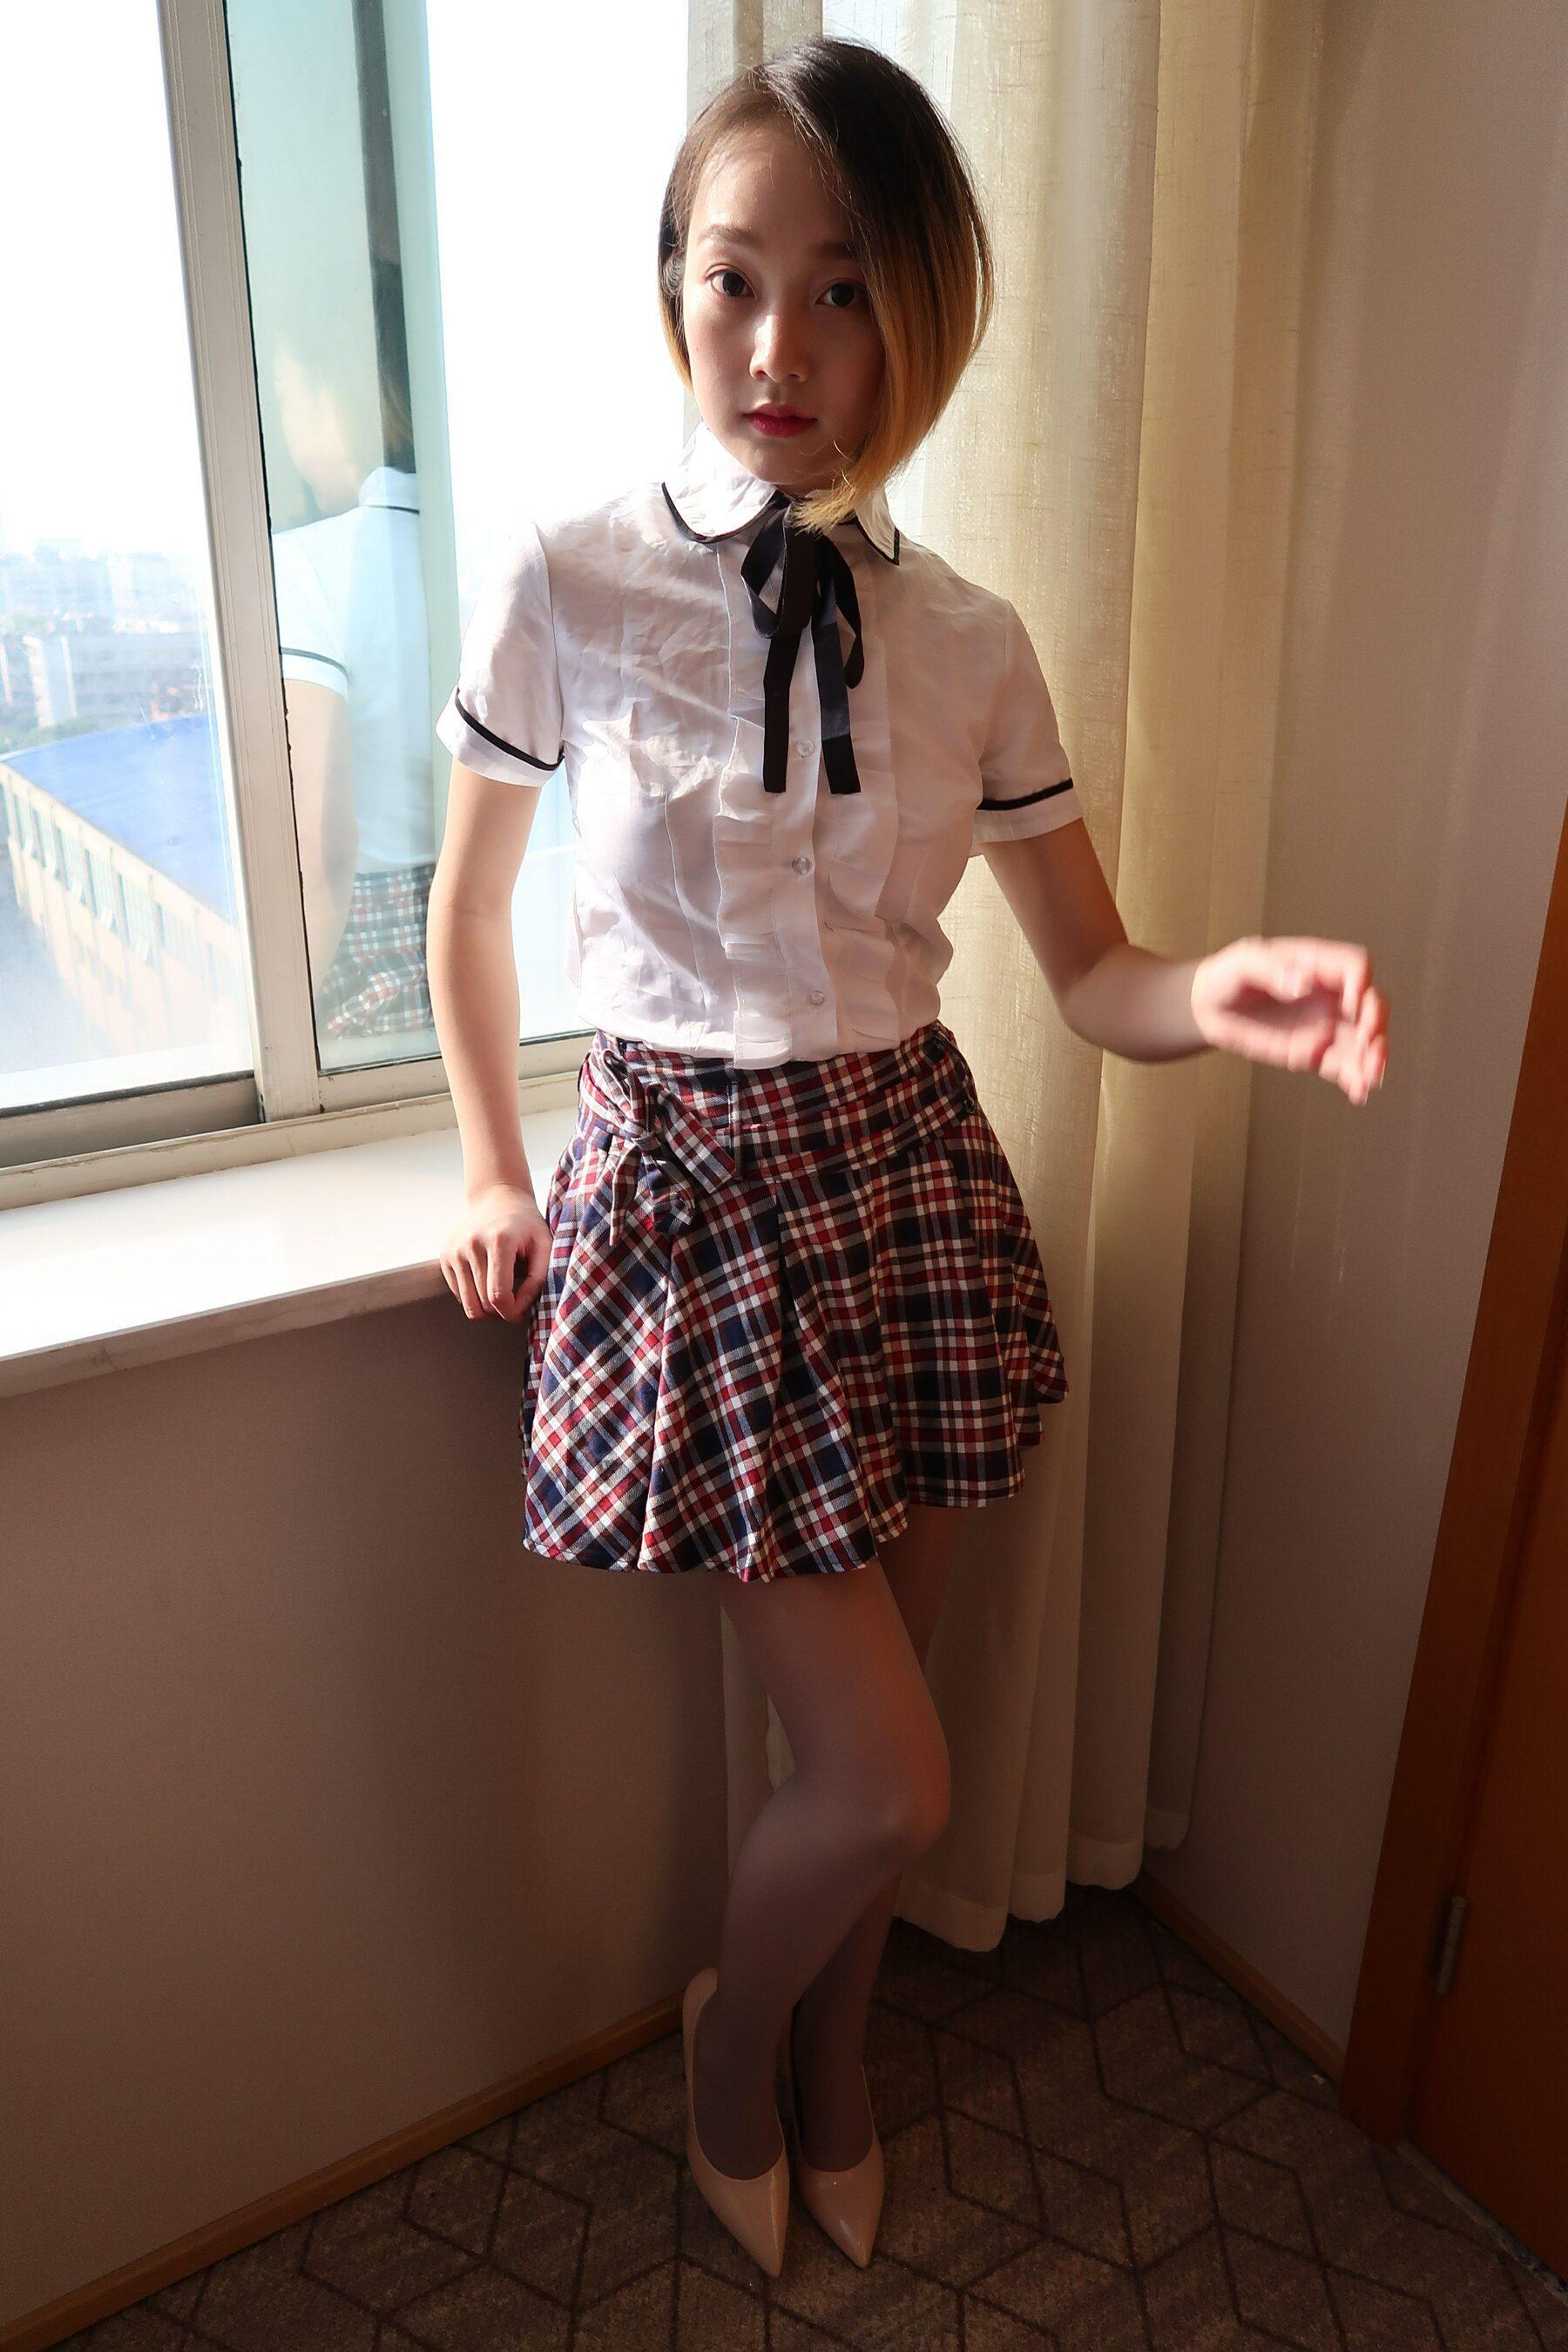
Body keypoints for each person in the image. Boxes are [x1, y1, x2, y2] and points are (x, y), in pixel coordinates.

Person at [426, 36, 1389, 2281]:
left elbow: (1095, 970)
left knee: (884, 1748)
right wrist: (490, 1170)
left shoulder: (969, 641)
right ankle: (726, 2055)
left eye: (845, 288)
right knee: (891, 1780)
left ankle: (842, 2066)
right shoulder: (571, 577)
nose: (780, 345)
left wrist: (1219, 990)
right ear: (674, 289)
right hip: (694, 1199)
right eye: (734, 277)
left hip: (908, 1184)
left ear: (923, 313)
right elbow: (469, 913)